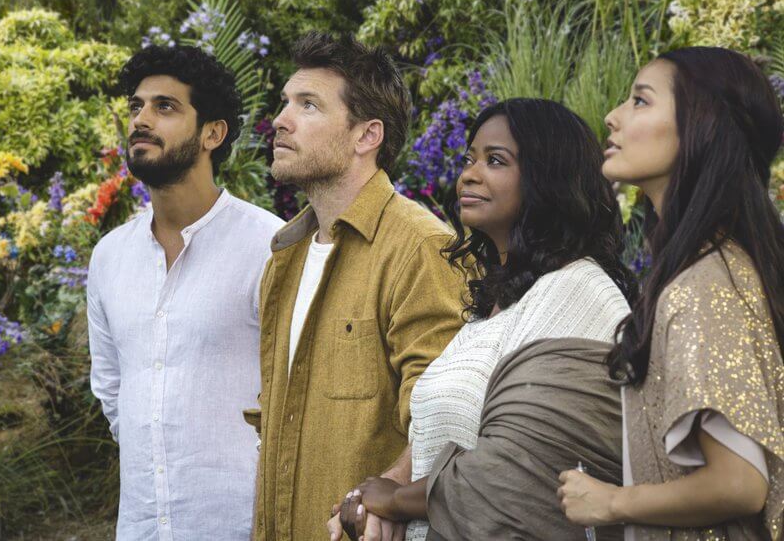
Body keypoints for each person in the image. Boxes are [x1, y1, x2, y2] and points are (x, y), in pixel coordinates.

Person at [338, 99, 637, 540]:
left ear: (548, 179)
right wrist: (377, 503)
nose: (469, 175)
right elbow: (437, 440)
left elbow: (520, 468)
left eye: (495, 160)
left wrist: (397, 500)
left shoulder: (578, 293)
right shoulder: (494, 306)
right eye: (468, 159)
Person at [558, 46, 784, 540]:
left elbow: (739, 483)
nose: (612, 116)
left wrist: (611, 502)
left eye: (640, 100)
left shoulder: (704, 283)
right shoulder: (722, 267)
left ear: (702, 127)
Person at [251, 31, 465, 541]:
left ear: (366, 136)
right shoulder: (284, 257)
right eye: (285, 102)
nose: (281, 120)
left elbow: (444, 417)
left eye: (308, 105)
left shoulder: (421, 248)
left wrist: (385, 495)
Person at [87, 45, 283, 540]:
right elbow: (111, 390)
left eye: (165, 107)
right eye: (136, 106)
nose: (141, 119)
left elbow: (295, 390)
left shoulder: (269, 247)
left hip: (240, 526)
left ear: (212, 133)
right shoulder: (110, 257)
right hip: (142, 526)